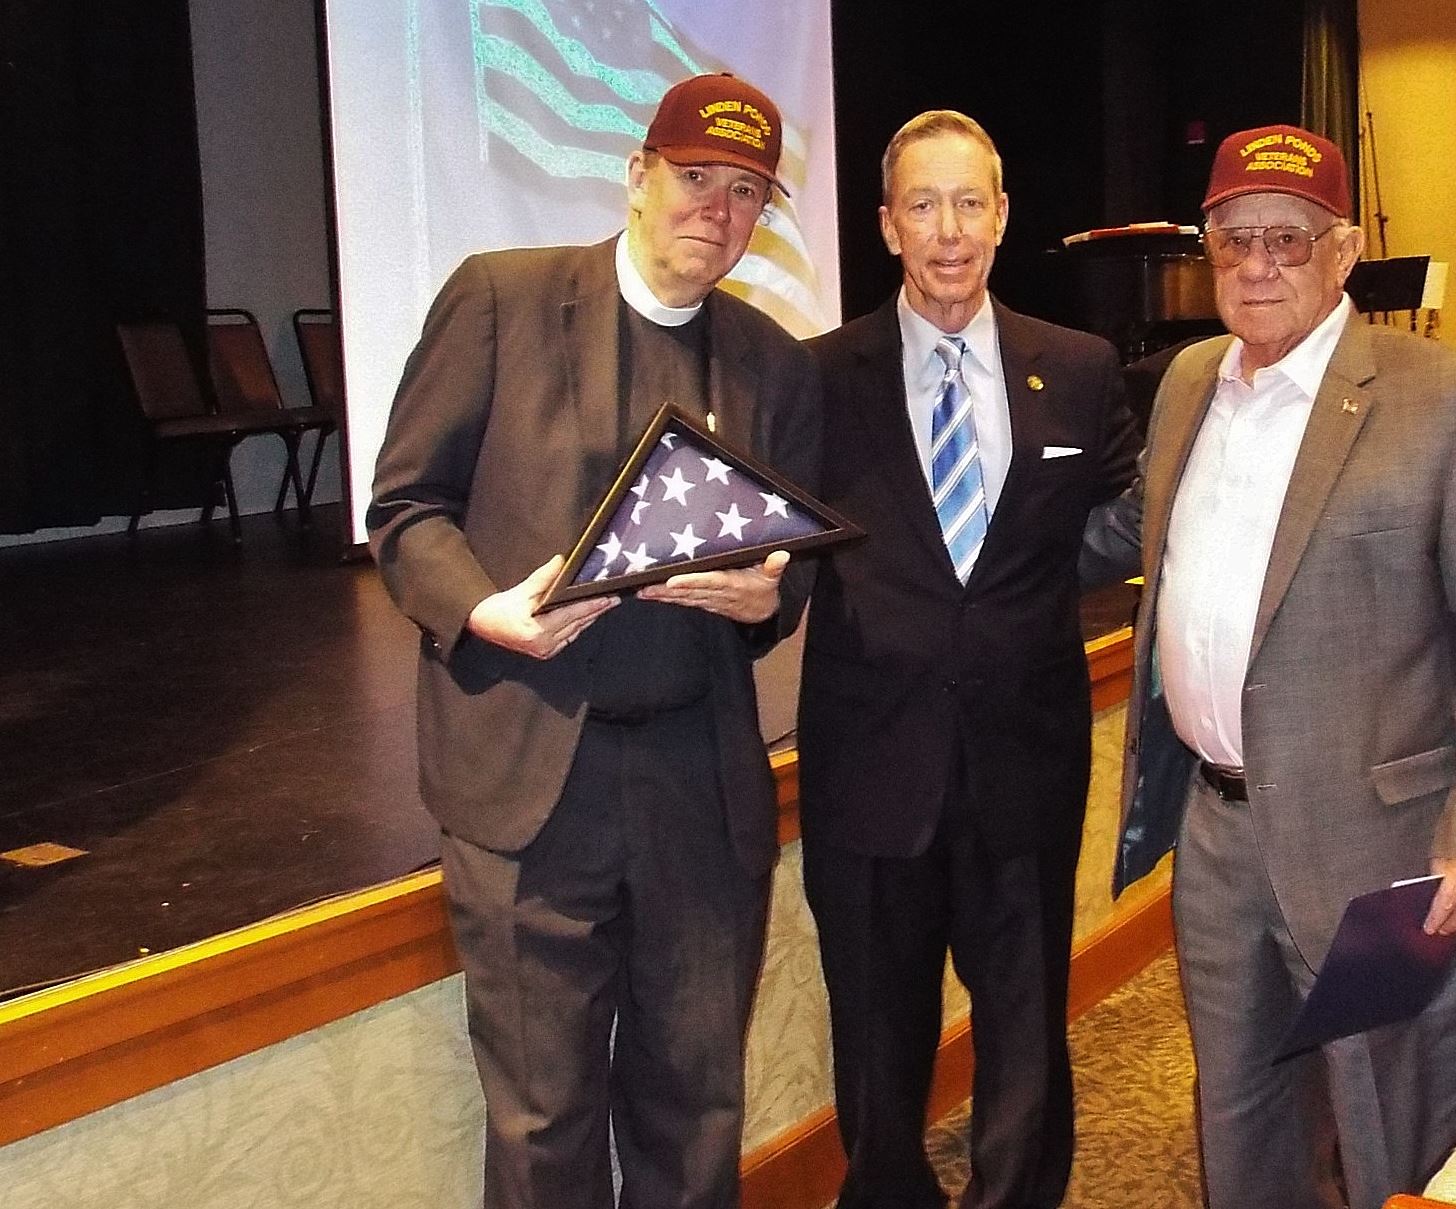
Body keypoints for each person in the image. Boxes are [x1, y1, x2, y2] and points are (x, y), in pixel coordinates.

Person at [1081, 124, 1456, 1209]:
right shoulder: (1187, 381)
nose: (1257, 264)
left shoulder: (1451, 399)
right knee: (1241, 1113)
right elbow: (1131, 536)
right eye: (1233, 237)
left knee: (1400, 1126)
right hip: (1216, 837)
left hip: (1383, 852)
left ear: (1342, 253)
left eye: (1288, 239)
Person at [366, 73, 820, 1209]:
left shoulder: (775, 362)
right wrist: (486, 610)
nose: (716, 208)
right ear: (635, 174)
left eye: (746, 193)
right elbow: (407, 509)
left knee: (696, 1109)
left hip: (697, 781)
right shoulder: (500, 300)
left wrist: (768, 599)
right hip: (529, 782)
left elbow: (792, 564)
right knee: (541, 1122)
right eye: (694, 177)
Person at [797, 110, 1139, 1209]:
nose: (948, 230)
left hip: (1023, 763)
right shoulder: (815, 378)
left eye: (968, 203)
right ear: (887, 226)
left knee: (1026, 1033)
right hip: (870, 769)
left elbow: (1121, 515)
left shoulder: (1077, 368)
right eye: (923, 205)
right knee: (875, 1046)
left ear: (1001, 215)